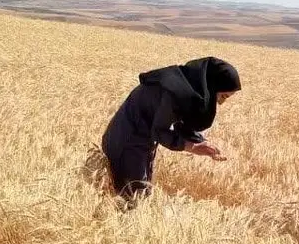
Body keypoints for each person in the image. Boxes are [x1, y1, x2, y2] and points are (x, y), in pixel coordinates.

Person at [100, 56, 240, 204]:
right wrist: (191, 146)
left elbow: (182, 122)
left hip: (140, 141)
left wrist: (202, 142)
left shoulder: (187, 85)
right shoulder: (176, 92)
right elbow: (159, 131)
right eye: (223, 96)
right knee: (134, 200)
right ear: (212, 86)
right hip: (128, 141)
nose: (221, 103)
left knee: (138, 195)